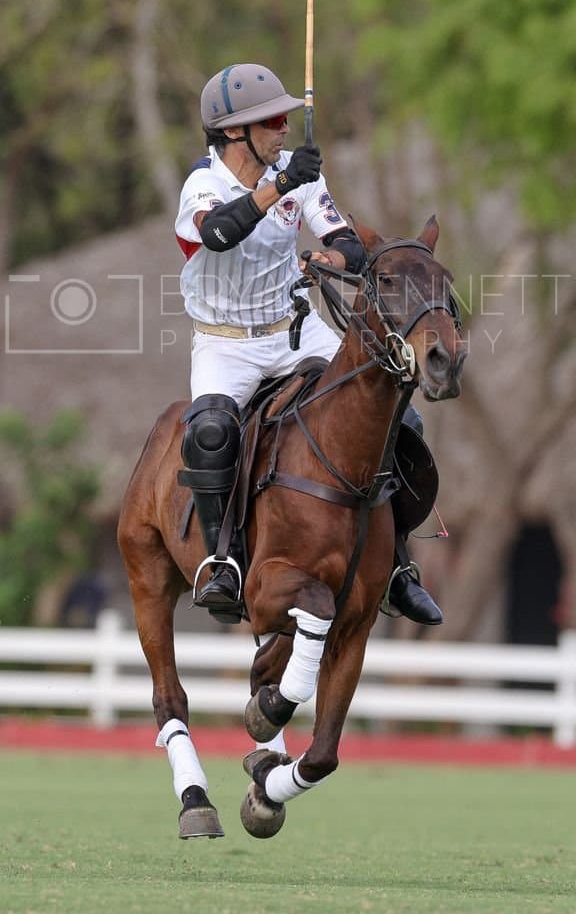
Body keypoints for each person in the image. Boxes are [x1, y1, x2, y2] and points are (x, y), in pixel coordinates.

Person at [174, 63, 442, 625]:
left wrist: (329, 258)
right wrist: (281, 185)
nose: (283, 129)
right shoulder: (204, 184)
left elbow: (351, 246)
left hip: (293, 330)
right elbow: (220, 232)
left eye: (285, 118)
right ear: (232, 132)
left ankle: (396, 564)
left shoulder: (297, 175)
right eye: (272, 120)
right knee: (209, 431)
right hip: (225, 344)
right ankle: (221, 564)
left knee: (400, 418)